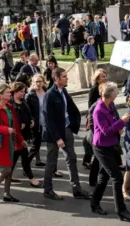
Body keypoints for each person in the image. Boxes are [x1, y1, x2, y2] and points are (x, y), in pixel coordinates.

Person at [90, 83, 130, 221]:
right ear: (111, 95)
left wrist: (120, 124)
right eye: (116, 92)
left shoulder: (110, 105)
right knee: (117, 177)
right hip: (101, 147)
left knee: (103, 177)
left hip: (111, 145)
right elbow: (105, 131)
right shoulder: (98, 110)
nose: (118, 94)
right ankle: (121, 211)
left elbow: (114, 121)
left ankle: (94, 203)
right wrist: (121, 122)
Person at [42, 67, 90, 200]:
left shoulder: (64, 91)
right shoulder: (50, 95)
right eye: (64, 76)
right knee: (51, 162)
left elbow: (70, 108)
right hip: (54, 134)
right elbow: (48, 119)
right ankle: (48, 190)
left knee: (72, 159)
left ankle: (77, 189)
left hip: (67, 129)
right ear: (56, 79)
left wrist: (73, 124)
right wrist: (57, 138)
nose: (67, 78)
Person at [0, 83, 25, 202]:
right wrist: (5, 130)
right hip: (1, 144)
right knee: (7, 169)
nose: (10, 94)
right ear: (1, 94)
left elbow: (15, 126)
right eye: (8, 92)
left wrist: (21, 140)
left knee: (10, 170)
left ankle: (7, 194)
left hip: (10, 142)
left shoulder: (9, 107)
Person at [11, 81, 41, 187]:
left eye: (24, 91)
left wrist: (31, 120)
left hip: (24, 133)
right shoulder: (10, 103)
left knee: (15, 157)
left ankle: (7, 176)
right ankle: (31, 178)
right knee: (23, 156)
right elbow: (11, 119)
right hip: (15, 135)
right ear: (15, 91)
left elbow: (28, 113)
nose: (23, 93)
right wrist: (19, 124)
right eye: (21, 91)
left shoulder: (23, 101)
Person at [25, 73, 46, 166]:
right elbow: (25, 110)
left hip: (45, 122)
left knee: (39, 143)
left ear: (43, 82)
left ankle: (38, 161)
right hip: (35, 123)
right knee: (35, 145)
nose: (38, 83)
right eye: (36, 82)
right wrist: (30, 120)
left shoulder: (46, 93)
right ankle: (26, 164)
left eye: (40, 81)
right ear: (33, 83)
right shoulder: (30, 95)